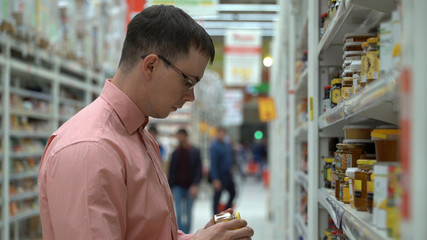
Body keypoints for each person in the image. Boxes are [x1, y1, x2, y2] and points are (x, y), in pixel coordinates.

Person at [38, 5, 253, 240]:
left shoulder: (140, 138)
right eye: (188, 82)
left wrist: (202, 236)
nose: (191, 96)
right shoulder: (92, 149)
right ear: (151, 65)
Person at [168, 128, 202, 234]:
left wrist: (195, 184)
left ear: (186, 137)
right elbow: (172, 171)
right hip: (178, 186)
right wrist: (170, 188)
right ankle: (180, 234)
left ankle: (187, 234)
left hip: (190, 186)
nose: (179, 138)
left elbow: (198, 170)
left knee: (188, 212)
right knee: (178, 212)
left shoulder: (195, 152)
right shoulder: (175, 153)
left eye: (181, 136)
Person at [210, 127, 237, 215]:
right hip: (219, 174)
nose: (221, 135)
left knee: (233, 192)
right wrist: (215, 178)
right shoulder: (214, 147)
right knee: (217, 196)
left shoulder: (227, 145)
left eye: (223, 133)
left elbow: (230, 158)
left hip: (227, 173)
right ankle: (215, 215)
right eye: (220, 133)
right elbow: (213, 164)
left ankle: (226, 212)